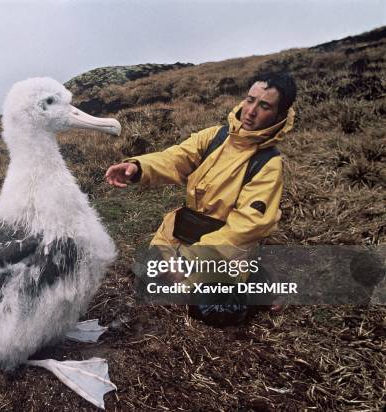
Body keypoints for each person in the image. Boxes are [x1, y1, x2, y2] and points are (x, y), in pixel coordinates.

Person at [105, 72, 297, 324]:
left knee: (210, 310)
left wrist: (187, 262)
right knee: (146, 273)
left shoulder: (268, 164)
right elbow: (175, 157)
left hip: (223, 249)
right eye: (250, 100)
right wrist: (138, 167)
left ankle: (259, 287)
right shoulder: (216, 136)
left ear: (279, 115)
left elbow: (245, 227)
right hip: (183, 232)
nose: (251, 111)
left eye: (264, 106)